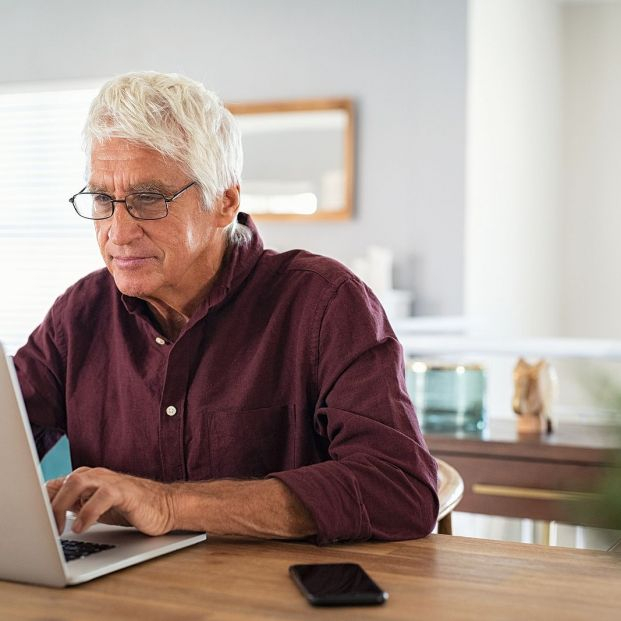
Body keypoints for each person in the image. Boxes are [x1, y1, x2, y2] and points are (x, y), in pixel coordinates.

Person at [14, 71, 438, 545]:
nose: (118, 232)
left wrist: (169, 504)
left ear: (224, 202)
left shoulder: (325, 303)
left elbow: (400, 489)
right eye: (101, 199)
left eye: (148, 199)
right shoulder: (79, 315)